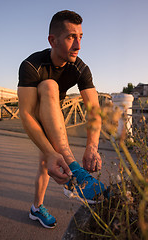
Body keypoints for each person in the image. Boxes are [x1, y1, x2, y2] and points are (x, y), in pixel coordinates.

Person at [17, 10, 106, 229]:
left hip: (53, 114)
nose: (78, 45)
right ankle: (74, 172)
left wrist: (92, 147)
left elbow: (94, 109)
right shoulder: (31, 65)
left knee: (46, 164)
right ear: (52, 40)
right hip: (37, 113)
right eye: (70, 38)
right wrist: (50, 151)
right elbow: (26, 114)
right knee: (49, 85)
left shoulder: (80, 68)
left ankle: (36, 208)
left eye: (80, 37)